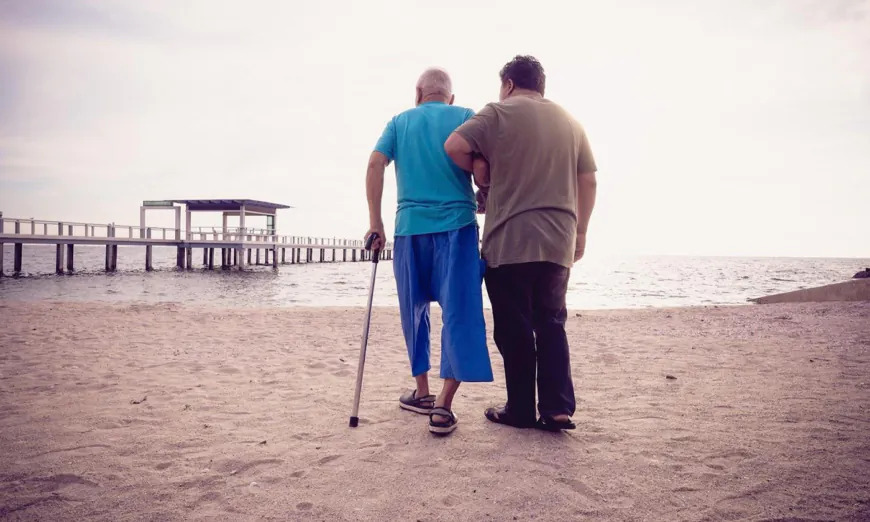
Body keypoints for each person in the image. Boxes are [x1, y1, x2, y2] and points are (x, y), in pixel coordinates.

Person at [445, 55, 598, 431]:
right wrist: (581, 232)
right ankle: (557, 409)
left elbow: (454, 145)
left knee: (514, 328)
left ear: (509, 84)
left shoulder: (498, 112)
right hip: (558, 239)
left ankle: (521, 410)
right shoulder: (570, 121)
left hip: (510, 240)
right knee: (551, 322)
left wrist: (484, 175)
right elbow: (589, 180)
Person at [365, 67, 493, 435]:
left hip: (410, 229)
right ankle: (443, 406)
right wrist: (483, 193)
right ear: (450, 97)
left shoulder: (399, 122)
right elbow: (481, 167)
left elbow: (375, 163)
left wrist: (376, 223)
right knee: (460, 312)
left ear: (418, 94)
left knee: (414, 310)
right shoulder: (464, 116)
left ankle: (421, 391)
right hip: (457, 227)